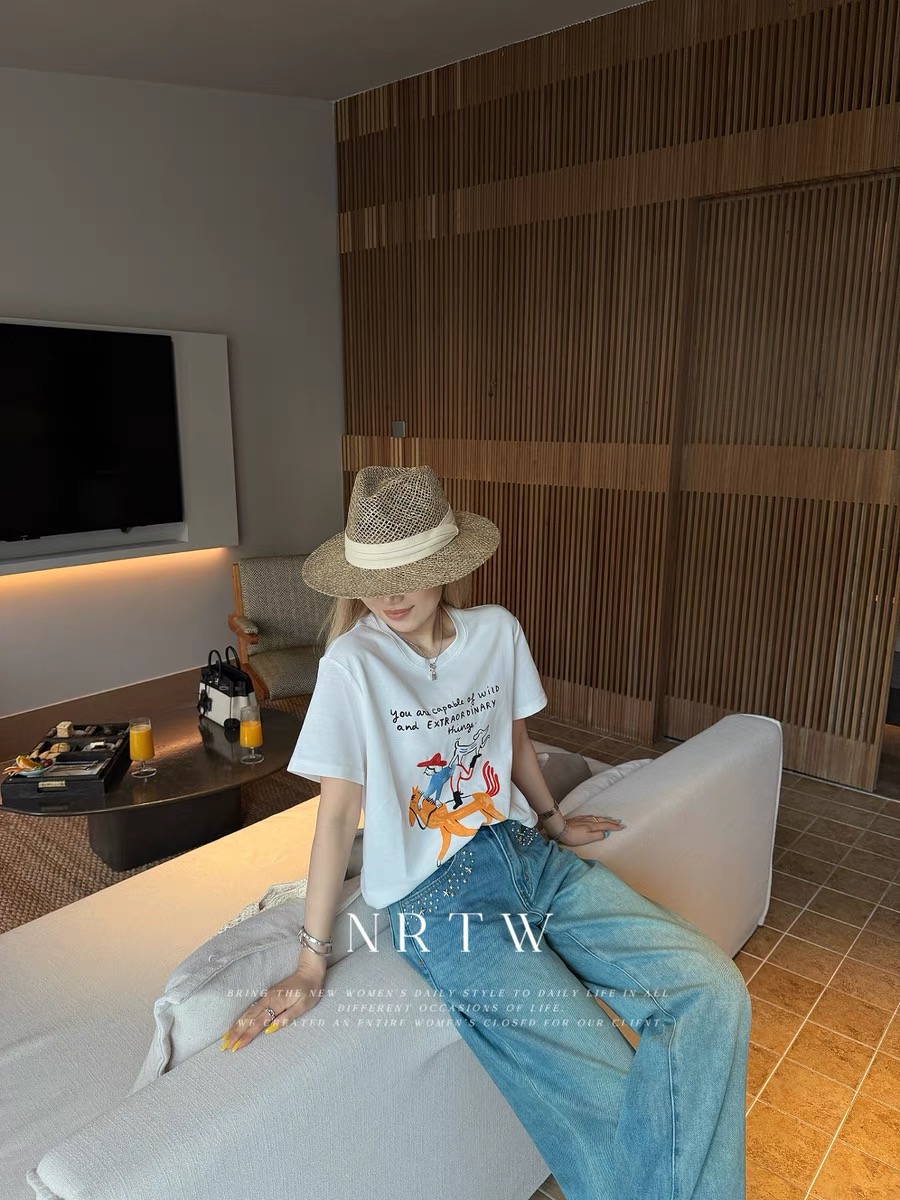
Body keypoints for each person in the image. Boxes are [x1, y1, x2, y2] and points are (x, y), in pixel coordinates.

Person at [219, 465, 751, 1200]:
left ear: (447, 565)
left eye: (411, 571)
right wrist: (311, 959)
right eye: (375, 577)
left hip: (532, 861)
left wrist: (556, 823)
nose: (392, 593)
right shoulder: (352, 664)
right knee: (601, 1082)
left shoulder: (497, 631)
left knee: (712, 992)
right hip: (440, 905)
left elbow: (515, 742)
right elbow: (337, 815)